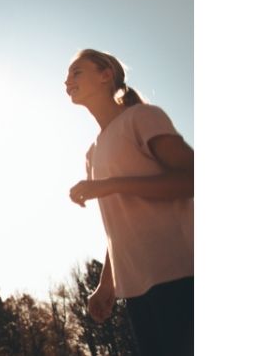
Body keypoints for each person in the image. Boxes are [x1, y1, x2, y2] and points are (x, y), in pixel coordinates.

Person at [65, 49, 194, 356]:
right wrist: (106, 284)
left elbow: (192, 178)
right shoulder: (91, 154)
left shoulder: (142, 117)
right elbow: (118, 225)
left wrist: (111, 185)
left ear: (106, 74)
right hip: (135, 291)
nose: (67, 80)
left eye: (76, 72)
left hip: (182, 275)